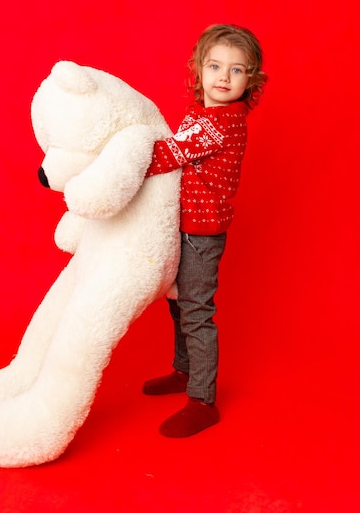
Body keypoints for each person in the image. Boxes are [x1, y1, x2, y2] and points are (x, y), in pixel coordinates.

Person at [143, 24, 267, 437]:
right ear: (198, 70)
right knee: (178, 305)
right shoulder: (204, 114)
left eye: (236, 70)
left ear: (251, 80)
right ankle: (184, 370)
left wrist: (124, 150)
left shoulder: (224, 122)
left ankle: (202, 398)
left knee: (196, 311)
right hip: (183, 223)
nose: (223, 77)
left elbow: (166, 155)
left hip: (201, 231)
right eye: (215, 66)